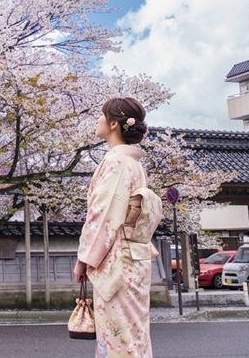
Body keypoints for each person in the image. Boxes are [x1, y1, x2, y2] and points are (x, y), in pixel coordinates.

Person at [73, 96, 157, 357]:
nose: (97, 119)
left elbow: (104, 217)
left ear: (112, 124)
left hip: (117, 264)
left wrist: (85, 259)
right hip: (132, 261)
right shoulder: (133, 164)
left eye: (100, 114)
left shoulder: (117, 162)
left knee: (119, 340)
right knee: (132, 337)